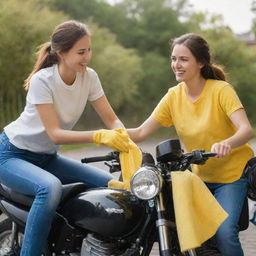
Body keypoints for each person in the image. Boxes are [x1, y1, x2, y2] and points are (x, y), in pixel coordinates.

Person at [0, 20, 130, 256]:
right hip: (11, 154)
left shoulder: (89, 77)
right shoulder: (43, 80)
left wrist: (122, 136)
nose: (87, 56)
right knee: (49, 188)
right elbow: (55, 133)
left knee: (112, 186)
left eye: (89, 50)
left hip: (47, 157)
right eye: (81, 52)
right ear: (61, 52)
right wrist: (99, 136)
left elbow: (111, 119)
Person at [128, 33, 254, 256]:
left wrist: (227, 143)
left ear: (201, 62)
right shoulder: (173, 96)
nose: (176, 65)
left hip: (231, 177)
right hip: (198, 179)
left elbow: (246, 130)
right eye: (174, 59)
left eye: (183, 59)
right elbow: (140, 132)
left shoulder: (220, 91)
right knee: (182, 233)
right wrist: (105, 135)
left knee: (224, 232)